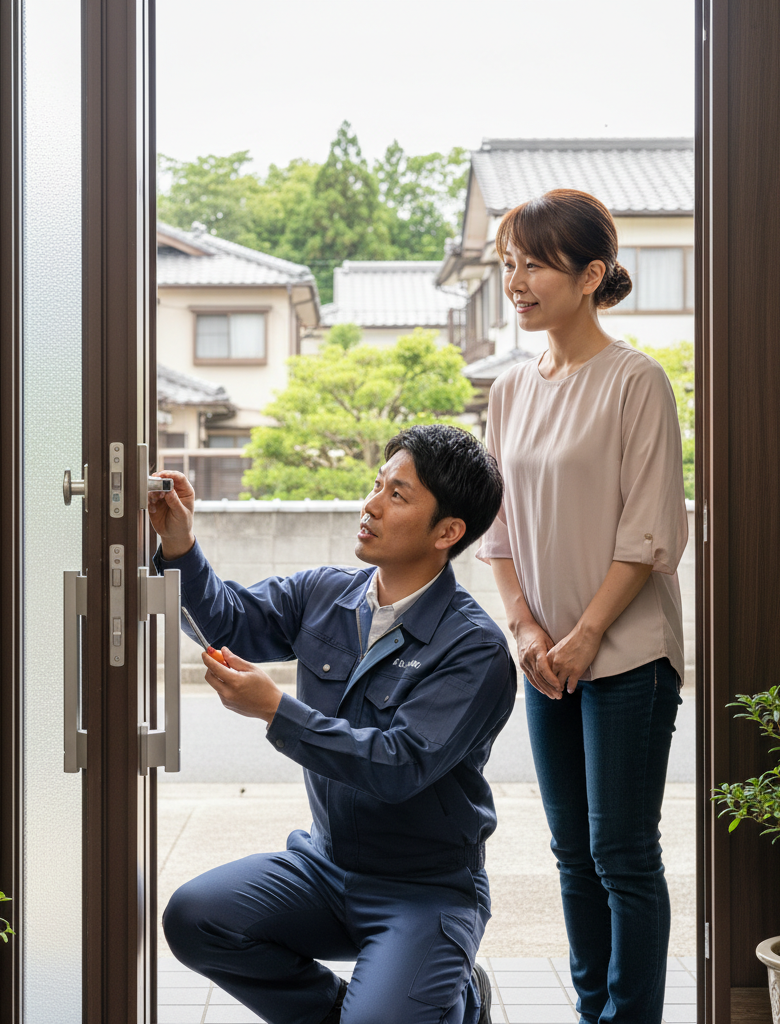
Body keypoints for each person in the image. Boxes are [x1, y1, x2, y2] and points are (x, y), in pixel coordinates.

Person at [149, 424, 515, 1024]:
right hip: (325, 867)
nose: (369, 505)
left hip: (425, 891)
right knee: (195, 918)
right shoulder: (325, 594)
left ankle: (458, 994)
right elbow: (229, 620)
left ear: (447, 532)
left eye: (397, 495)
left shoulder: (474, 648)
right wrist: (181, 546)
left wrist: (275, 708)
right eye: (377, 485)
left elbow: (401, 765)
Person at [479, 188, 687, 1024]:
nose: (516, 281)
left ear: (592, 273)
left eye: (534, 264)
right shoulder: (508, 390)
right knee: (571, 853)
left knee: (622, 853)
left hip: (627, 654)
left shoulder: (635, 381)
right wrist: (527, 628)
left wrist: (583, 636)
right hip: (544, 656)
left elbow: (648, 536)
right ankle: (591, 1009)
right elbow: (496, 531)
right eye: (508, 265)